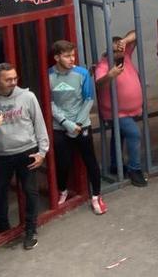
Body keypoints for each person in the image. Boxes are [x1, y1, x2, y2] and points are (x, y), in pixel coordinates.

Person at [0, 63, 49, 250]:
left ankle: (31, 229)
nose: (13, 82)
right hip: (1, 155)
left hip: (27, 151)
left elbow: (39, 124)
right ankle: (4, 229)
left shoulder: (27, 97)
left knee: (31, 192)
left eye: (15, 78)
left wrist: (42, 152)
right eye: (8, 79)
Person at [48, 40, 106, 214]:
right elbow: (49, 102)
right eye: (67, 56)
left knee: (91, 161)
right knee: (63, 163)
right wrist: (67, 124)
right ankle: (63, 190)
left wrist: (78, 124)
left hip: (82, 126)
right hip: (61, 127)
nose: (72, 59)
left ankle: (96, 196)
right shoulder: (48, 76)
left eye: (73, 55)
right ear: (57, 57)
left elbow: (89, 99)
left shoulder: (82, 73)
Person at [93, 30, 147, 187]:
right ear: (108, 50)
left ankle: (115, 165)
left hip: (131, 110)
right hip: (116, 112)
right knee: (134, 134)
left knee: (119, 135)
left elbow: (136, 33)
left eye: (120, 49)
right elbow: (98, 84)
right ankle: (134, 169)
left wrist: (124, 40)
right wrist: (111, 75)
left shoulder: (126, 56)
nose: (119, 54)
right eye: (115, 50)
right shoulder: (103, 65)